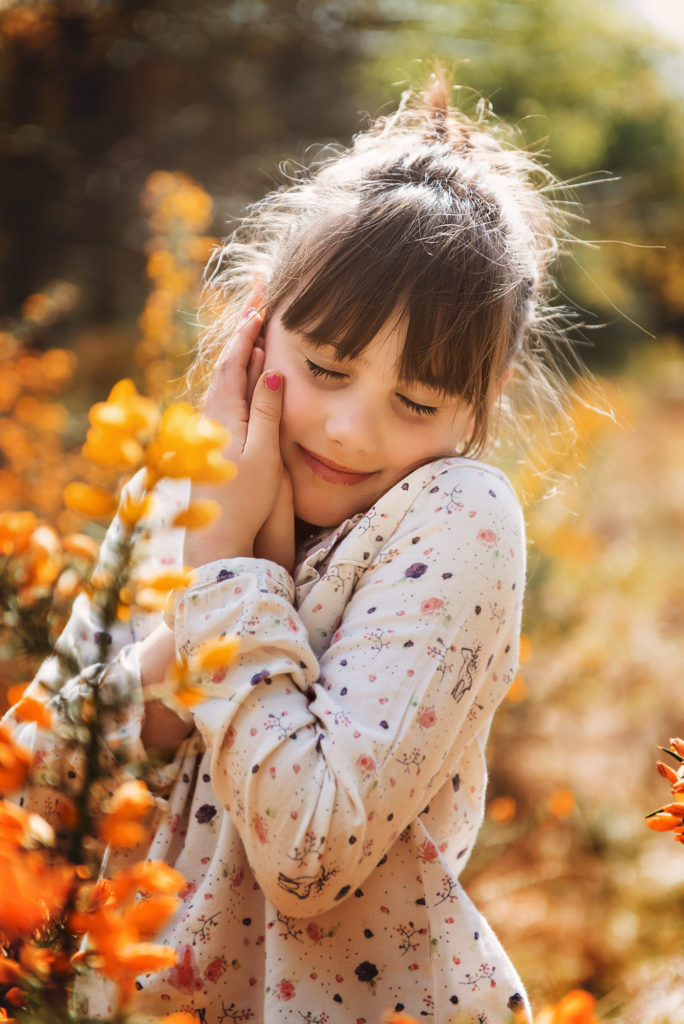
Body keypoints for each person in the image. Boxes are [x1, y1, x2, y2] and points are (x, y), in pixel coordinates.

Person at [6, 70, 572, 1023]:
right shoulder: (169, 494)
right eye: (324, 368)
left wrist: (231, 575)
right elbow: (27, 810)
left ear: (488, 400)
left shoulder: (454, 514)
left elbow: (311, 854)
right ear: (252, 322)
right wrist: (187, 634)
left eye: (418, 403)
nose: (351, 429)